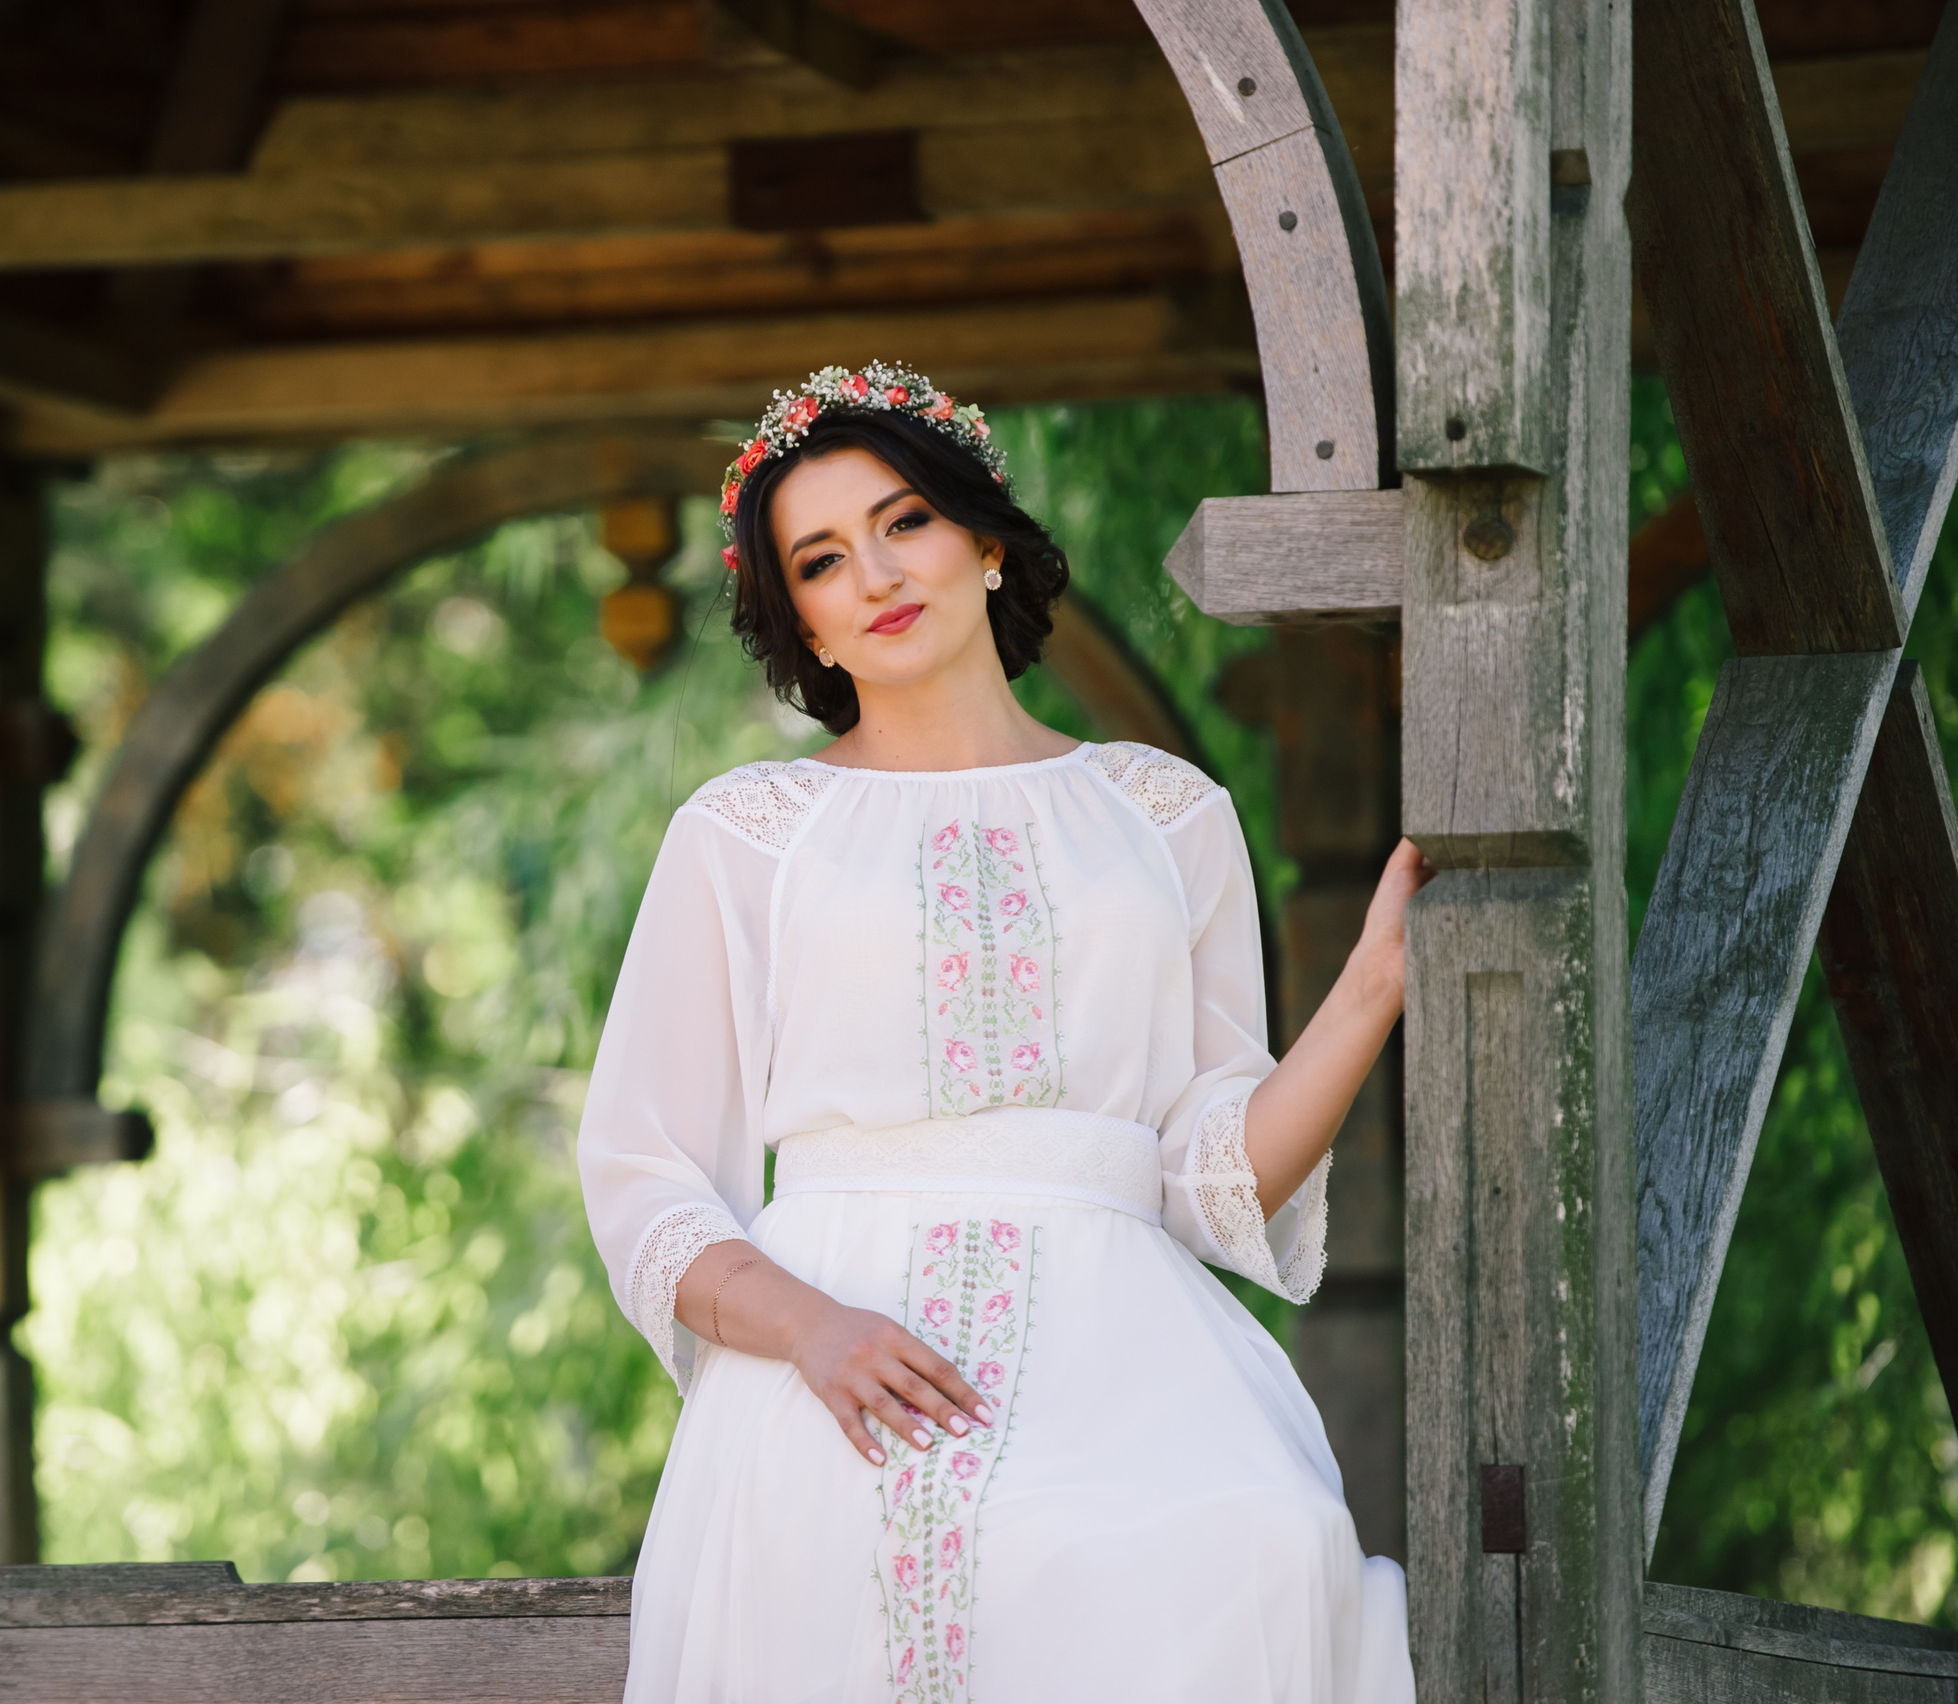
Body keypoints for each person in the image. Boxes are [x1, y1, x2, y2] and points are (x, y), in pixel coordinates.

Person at [577, 362, 1427, 1703]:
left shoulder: (1166, 816)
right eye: (820, 559)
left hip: (1130, 1360)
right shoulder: (746, 838)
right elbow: (644, 1182)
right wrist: (811, 1331)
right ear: (800, 622)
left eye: (903, 521)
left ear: (982, 540)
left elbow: (1212, 1177)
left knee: (1267, 1546)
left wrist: (1376, 986)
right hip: (833, 1383)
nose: (874, 572)